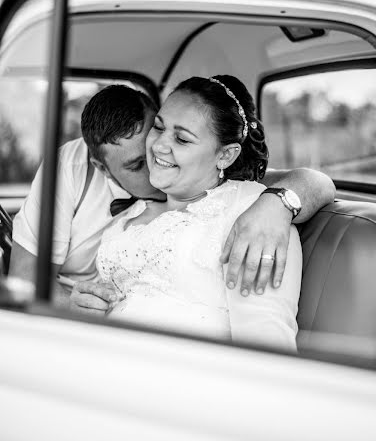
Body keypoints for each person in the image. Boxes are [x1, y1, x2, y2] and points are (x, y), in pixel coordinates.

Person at [9, 84, 335, 315]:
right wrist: (74, 305)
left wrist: (277, 204)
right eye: (136, 164)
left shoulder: (210, 176)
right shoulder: (72, 167)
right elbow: (24, 281)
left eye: (172, 134)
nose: (157, 152)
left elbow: (313, 182)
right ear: (101, 167)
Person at [97, 75, 302, 349]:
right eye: (158, 128)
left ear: (225, 155)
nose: (159, 145)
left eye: (182, 139)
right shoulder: (132, 212)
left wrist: (278, 204)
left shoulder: (255, 212)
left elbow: (267, 342)